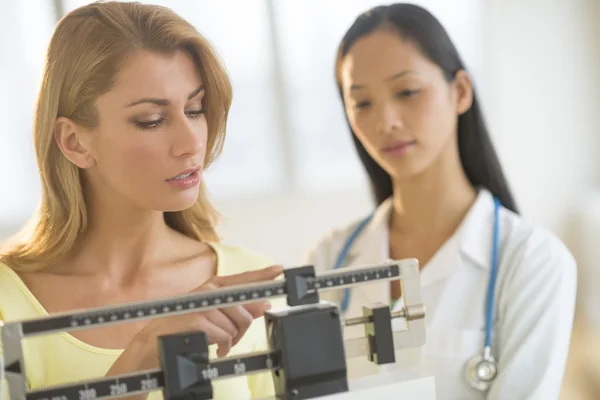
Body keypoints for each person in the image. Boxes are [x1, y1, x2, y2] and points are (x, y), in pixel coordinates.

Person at [0, 2, 284, 399]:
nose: (191, 144)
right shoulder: (6, 302)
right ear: (74, 142)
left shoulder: (246, 281)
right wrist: (143, 356)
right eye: (151, 119)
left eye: (195, 109)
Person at [304, 3, 577, 399]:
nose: (386, 121)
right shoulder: (329, 259)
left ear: (460, 91)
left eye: (407, 91)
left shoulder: (533, 262)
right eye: (362, 102)